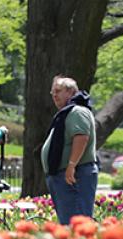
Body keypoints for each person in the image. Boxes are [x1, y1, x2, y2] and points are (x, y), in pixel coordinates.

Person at [42, 76, 97, 224]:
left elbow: (81, 137)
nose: (54, 95)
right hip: (64, 176)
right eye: (52, 92)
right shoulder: (68, 112)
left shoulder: (77, 111)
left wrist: (71, 165)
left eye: (58, 91)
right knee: (68, 224)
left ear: (71, 92)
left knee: (76, 225)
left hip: (74, 176)